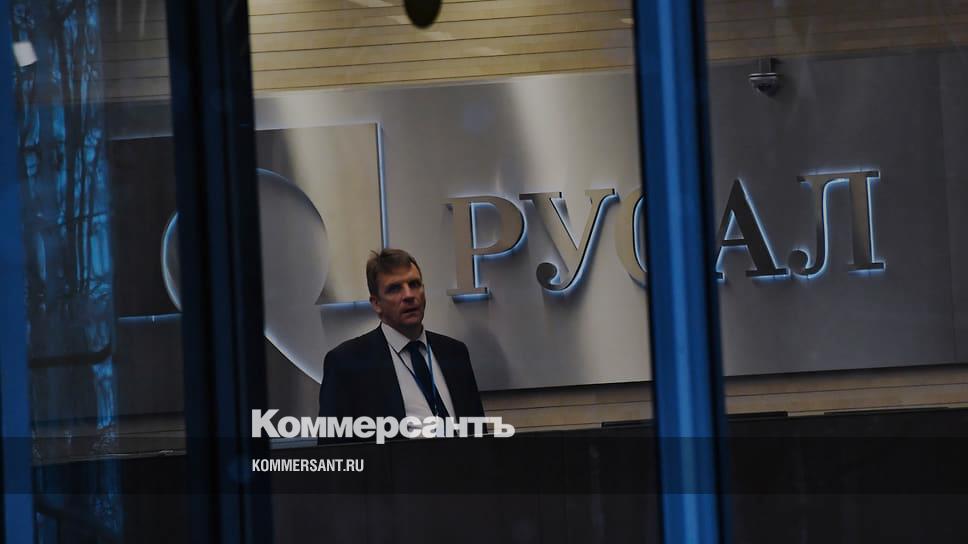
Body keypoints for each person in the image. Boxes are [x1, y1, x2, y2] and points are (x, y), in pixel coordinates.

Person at [317, 248, 485, 431]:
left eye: (414, 284)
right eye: (395, 289)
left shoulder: (455, 353)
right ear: (376, 303)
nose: (409, 295)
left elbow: (479, 433)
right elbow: (334, 443)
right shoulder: (347, 363)